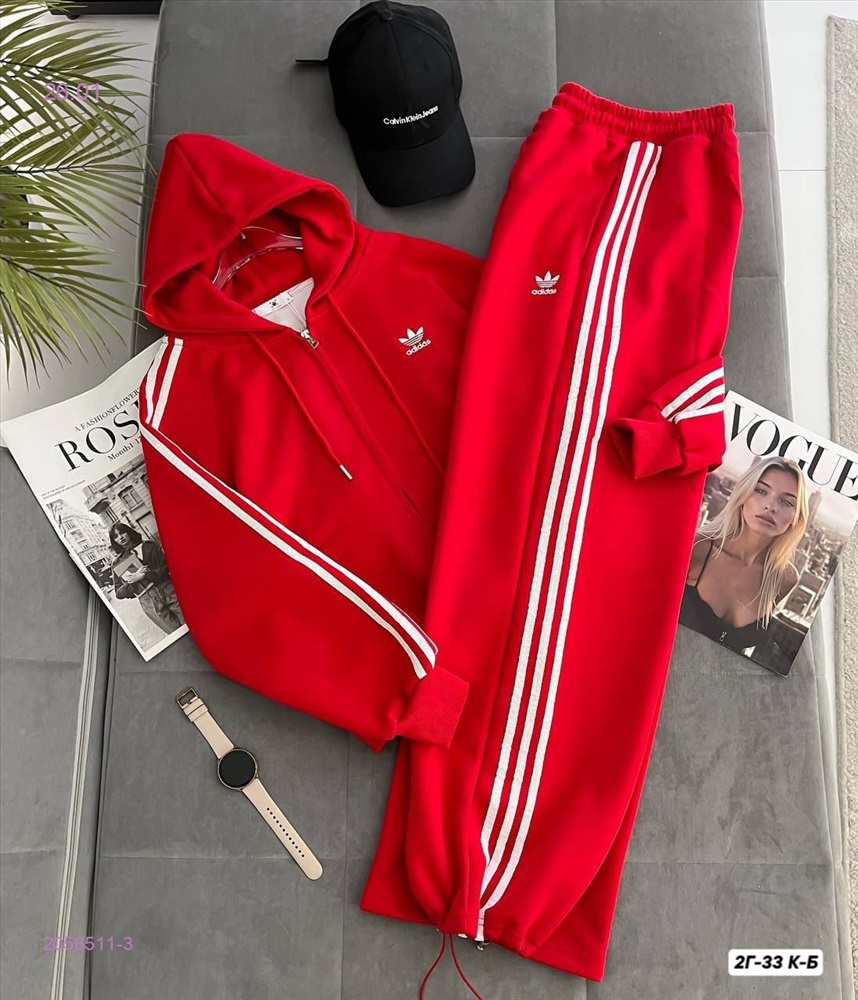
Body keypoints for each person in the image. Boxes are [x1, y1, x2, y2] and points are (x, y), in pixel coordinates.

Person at [681, 457, 809, 654]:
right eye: (761, 491)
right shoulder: (697, 548)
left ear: (796, 518)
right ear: (743, 496)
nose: (771, 506)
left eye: (786, 502)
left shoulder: (784, 577)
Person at [108, 521, 184, 635]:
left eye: (122, 533)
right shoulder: (118, 563)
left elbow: (166, 566)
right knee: (176, 634)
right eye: (116, 537)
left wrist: (144, 575)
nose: (120, 538)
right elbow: (119, 593)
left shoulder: (150, 545)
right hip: (149, 601)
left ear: (128, 532)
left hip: (168, 589)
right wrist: (132, 581)